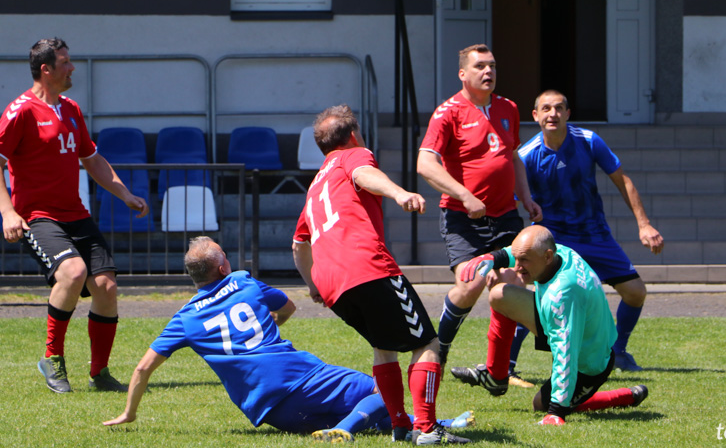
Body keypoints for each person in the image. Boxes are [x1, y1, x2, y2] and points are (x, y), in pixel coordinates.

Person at [102, 237, 475, 442]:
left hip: (271, 411)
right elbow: (289, 307)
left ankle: (433, 422)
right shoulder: (244, 282)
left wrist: (129, 413)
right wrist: (271, 322)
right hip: (301, 376)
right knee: (380, 393)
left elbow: (142, 367)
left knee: (369, 412)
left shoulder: (184, 318)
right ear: (223, 267)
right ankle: (346, 432)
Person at [292, 105, 469, 445]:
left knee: (382, 346)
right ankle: (428, 429)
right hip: (367, 267)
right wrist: (400, 193)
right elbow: (363, 175)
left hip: (332, 284)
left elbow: (299, 244)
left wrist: (312, 284)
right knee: (427, 343)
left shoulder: (315, 185)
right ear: (354, 135)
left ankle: (400, 424)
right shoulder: (354, 155)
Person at [0, 37, 149, 393]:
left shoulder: (71, 108)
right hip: (37, 217)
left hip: (75, 214)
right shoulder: (19, 111)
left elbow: (92, 159)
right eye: (65, 62)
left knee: (106, 286)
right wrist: (7, 212)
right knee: (74, 272)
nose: (72, 68)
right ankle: (52, 360)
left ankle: (99, 373)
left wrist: (124, 193)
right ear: (46, 69)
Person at [416, 43, 542, 389]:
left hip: (506, 217)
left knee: (512, 288)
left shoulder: (508, 108)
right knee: (470, 284)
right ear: (463, 74)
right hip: (462, 218)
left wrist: (527, 199)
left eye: (492, 66)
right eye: (480, 67)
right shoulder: (448, 112)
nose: (488, 72)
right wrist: (465, 195)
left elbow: (513, 158)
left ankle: (497, 373)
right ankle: (438, 349)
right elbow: (425, 163)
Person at [517, 90, 664, 371]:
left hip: (595, 235)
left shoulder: (588, 140)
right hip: (553, 240)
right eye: (546, 109)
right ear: (535, 116)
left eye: (559, 108)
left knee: (635, 292)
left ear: (568, 114)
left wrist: (644, 224)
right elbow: (515, 201)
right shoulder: (526, 155)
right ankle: (506, 365)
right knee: (536, 299)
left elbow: (624, 181)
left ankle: (617, 352)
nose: (553, 114)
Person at [457, 226, 649, 424]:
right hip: (570, 325)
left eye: (524, 261)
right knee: (500, 295)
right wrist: (491, 258)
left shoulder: (563, 294)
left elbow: (566, 353)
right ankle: (496, 377)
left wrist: (556, 412)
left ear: (548, 256)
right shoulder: (559, 252)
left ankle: (624, 396)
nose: (517, 267)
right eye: (517, 259)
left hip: (590, 361)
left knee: (541, 404)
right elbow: (518, 254)